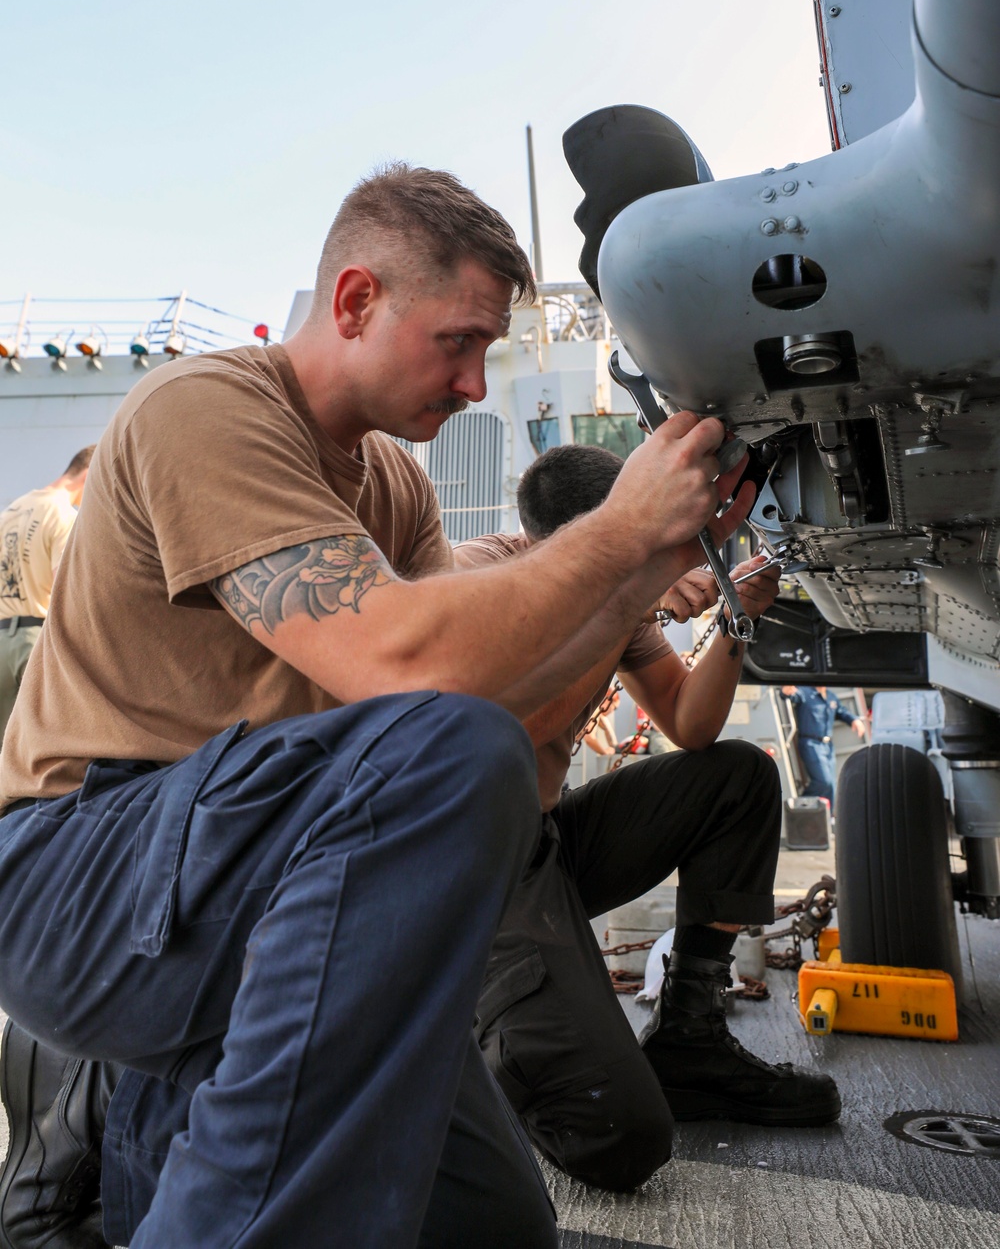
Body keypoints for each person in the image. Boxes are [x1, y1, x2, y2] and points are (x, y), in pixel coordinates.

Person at [0, 164, 759, 1249]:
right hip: (77, 879)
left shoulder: (392, 487)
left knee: (498, 1227)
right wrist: (617, 529)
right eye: (459, 341)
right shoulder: (206, 407)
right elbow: (410, 674)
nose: (473, 384)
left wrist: (646, 572)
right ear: (356, 302)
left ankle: (153, 1163)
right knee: (443, 750)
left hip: (263, 883)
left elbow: (496, 708)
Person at [455, 446, 840, 1193]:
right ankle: (474, 1043)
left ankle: (689, 1039)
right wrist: (625, 600)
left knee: (736, 778)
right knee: (617, 1137)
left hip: (546, 841)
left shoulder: (616, 598)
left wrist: (734, 619)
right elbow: (491, 739)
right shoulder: (474, 575)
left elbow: (689, 726)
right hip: (474, 864)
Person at [0, 447, 95, 742]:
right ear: (89, 473)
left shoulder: (11, 512)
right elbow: (64, 592)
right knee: (40, 749)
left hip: (2, 640)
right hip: (34, 643)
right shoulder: (63, 516)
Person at [781, 684, 866, 811]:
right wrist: (785, 692)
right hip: (811, 743)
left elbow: (841, 711)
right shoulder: (805, 692)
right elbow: (793, 695)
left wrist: (854, 720)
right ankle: (799, 809)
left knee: (832, 785)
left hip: (827, 746)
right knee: (824, 782)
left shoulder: (831, 696)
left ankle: (827, 816)